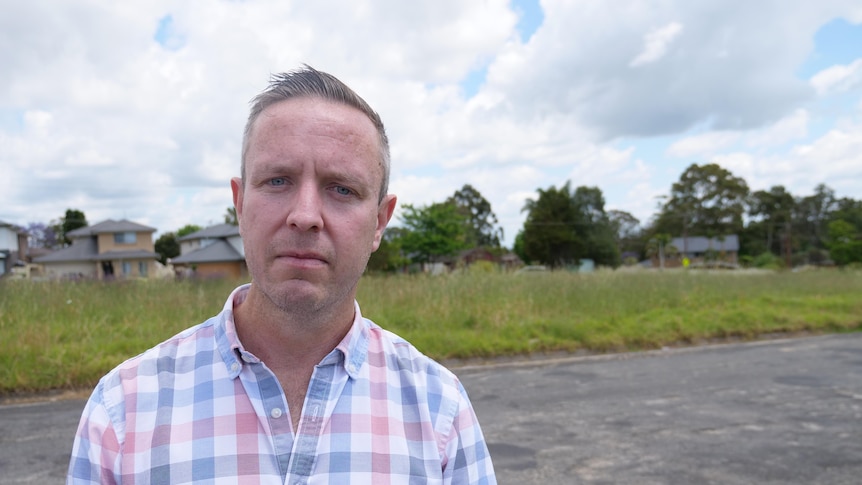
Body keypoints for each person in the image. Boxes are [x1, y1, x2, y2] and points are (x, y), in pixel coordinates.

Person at [67, 66, 496, 484]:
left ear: (380, 222)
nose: (305, 216)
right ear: (239, 204)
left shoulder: (441, 411)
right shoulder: (123, 411)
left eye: (342, 189)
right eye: (277, 181)